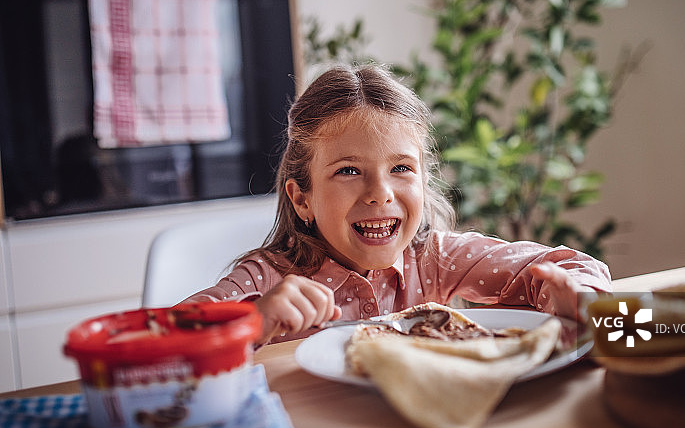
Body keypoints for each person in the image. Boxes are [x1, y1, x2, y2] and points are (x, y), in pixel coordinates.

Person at [182, 64, 611, 344]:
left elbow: (569, 266)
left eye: (401, 168)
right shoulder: (269, 279)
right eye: (348, 171)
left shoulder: (434, 258)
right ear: (302, 198)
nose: (380, 193)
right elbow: (160, 340)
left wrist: (575, 296)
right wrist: (252, 321)